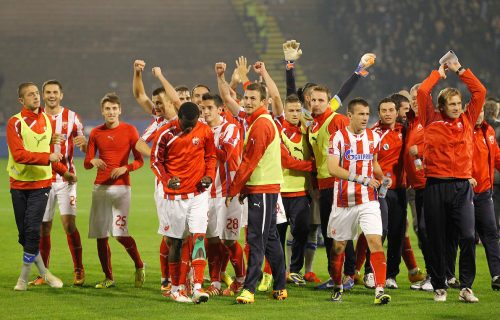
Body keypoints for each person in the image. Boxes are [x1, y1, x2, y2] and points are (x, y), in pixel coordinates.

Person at [417, 55, 486, 302]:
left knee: (468, 236)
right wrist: (439, 74)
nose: (457, 107)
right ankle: (439, 286)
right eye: (452, 104)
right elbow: (423, 92)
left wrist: (460, 70)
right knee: (436, 238)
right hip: (435, 185)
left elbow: (480, 90)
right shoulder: (431, 120)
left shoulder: (468, 120)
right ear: (442, 106)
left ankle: (466, 287)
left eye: (459, 103)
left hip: (462, 186)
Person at [222, 61, 287, 304]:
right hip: (262, 187)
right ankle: (280, 286)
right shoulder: (259, 120)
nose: (247, 102)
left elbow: (249, 161)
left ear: (263, 102)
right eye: (245, 97)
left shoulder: (260, 125)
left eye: (252, 98)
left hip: (263, 188)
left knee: (255, 239)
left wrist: (235, 188)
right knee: (269, 238)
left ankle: (248, 289)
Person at [7, 82, 76, 291]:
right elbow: (19, 155)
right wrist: (48, 157)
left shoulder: (46, 120)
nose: (36, 97)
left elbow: (50, 155)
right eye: (30, 95)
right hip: (19, 185)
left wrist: (63, 171)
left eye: (37, 93)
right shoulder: (15, 123)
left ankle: (22, 278)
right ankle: (45, 272)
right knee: (23, 235)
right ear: (21, 100)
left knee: (33, 230)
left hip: (41, 185)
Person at [150, 100, 216, 304]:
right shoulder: (166, 133)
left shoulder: (204, 130)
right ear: (179, 117)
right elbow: (155, 161)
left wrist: (209, 176)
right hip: (175, 196)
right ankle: (176, 288)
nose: (189, 127)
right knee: (175, 242)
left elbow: (211, 156)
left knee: (198, 237)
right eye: (186, 123)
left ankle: (197, 286)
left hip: (198, 193)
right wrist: (167, 179)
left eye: (193, 123)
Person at [326, 98, 391, 305]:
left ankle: (380, 290)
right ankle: (337, 285)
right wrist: (362, 179)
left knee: (375, 242)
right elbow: (333, 168)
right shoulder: (338, 137)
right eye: (360, 114)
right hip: (343, 201)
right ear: (350, 115)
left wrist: (383, 178)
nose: (365, 118)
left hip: (368, 201)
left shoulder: (373, 137)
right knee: (338, 248)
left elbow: (373, 163)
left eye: (366, 114)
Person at [84, 92, 145, 289]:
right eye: (107, 109)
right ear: (102, 111)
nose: (111, 112)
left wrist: (125, 168)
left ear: (120, 110)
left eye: (114, 108)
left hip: (121, 188)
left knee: (119, 233)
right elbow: (87, 162)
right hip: (100, 188)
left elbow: (139, 160)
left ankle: (139, 265)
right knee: (101, 235)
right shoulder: (95, 133)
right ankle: (108, 277)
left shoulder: (130, 130)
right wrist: (92, 160)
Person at [29, 80, 86, 287]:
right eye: (48, 92)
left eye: (55, 92)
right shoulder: (36, 118)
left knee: (69, 224)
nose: (51, 95)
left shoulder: (72, 117)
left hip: (67, 179)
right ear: (43, 95)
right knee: (44, 227)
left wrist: (85, 145)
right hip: (43, 179)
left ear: (61, 95)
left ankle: (78, 268)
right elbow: (30, 146)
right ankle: (44, 273)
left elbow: (84, 146)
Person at [133, 59, 180, 293]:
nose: (157, 107)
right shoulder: (160, 123)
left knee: (189, 234)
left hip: (189, 186)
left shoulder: (187, 121)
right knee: (170, 235)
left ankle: (186, 277)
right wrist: (137, 73)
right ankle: (168, 279)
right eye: (157, 103)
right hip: (165, 187)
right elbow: (140, 96)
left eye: (161, 102)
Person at [199, 93, 246, 297]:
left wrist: (204, 141)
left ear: (220, 109)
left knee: (228, 240)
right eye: (203, 108)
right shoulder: (198, 128)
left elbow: (226, 155)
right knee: (212, 240)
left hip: (228, 192)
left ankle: (241, 280)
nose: (206, 112)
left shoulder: (231, 128)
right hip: (206, 193)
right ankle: (216, 283)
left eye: (210, 107)